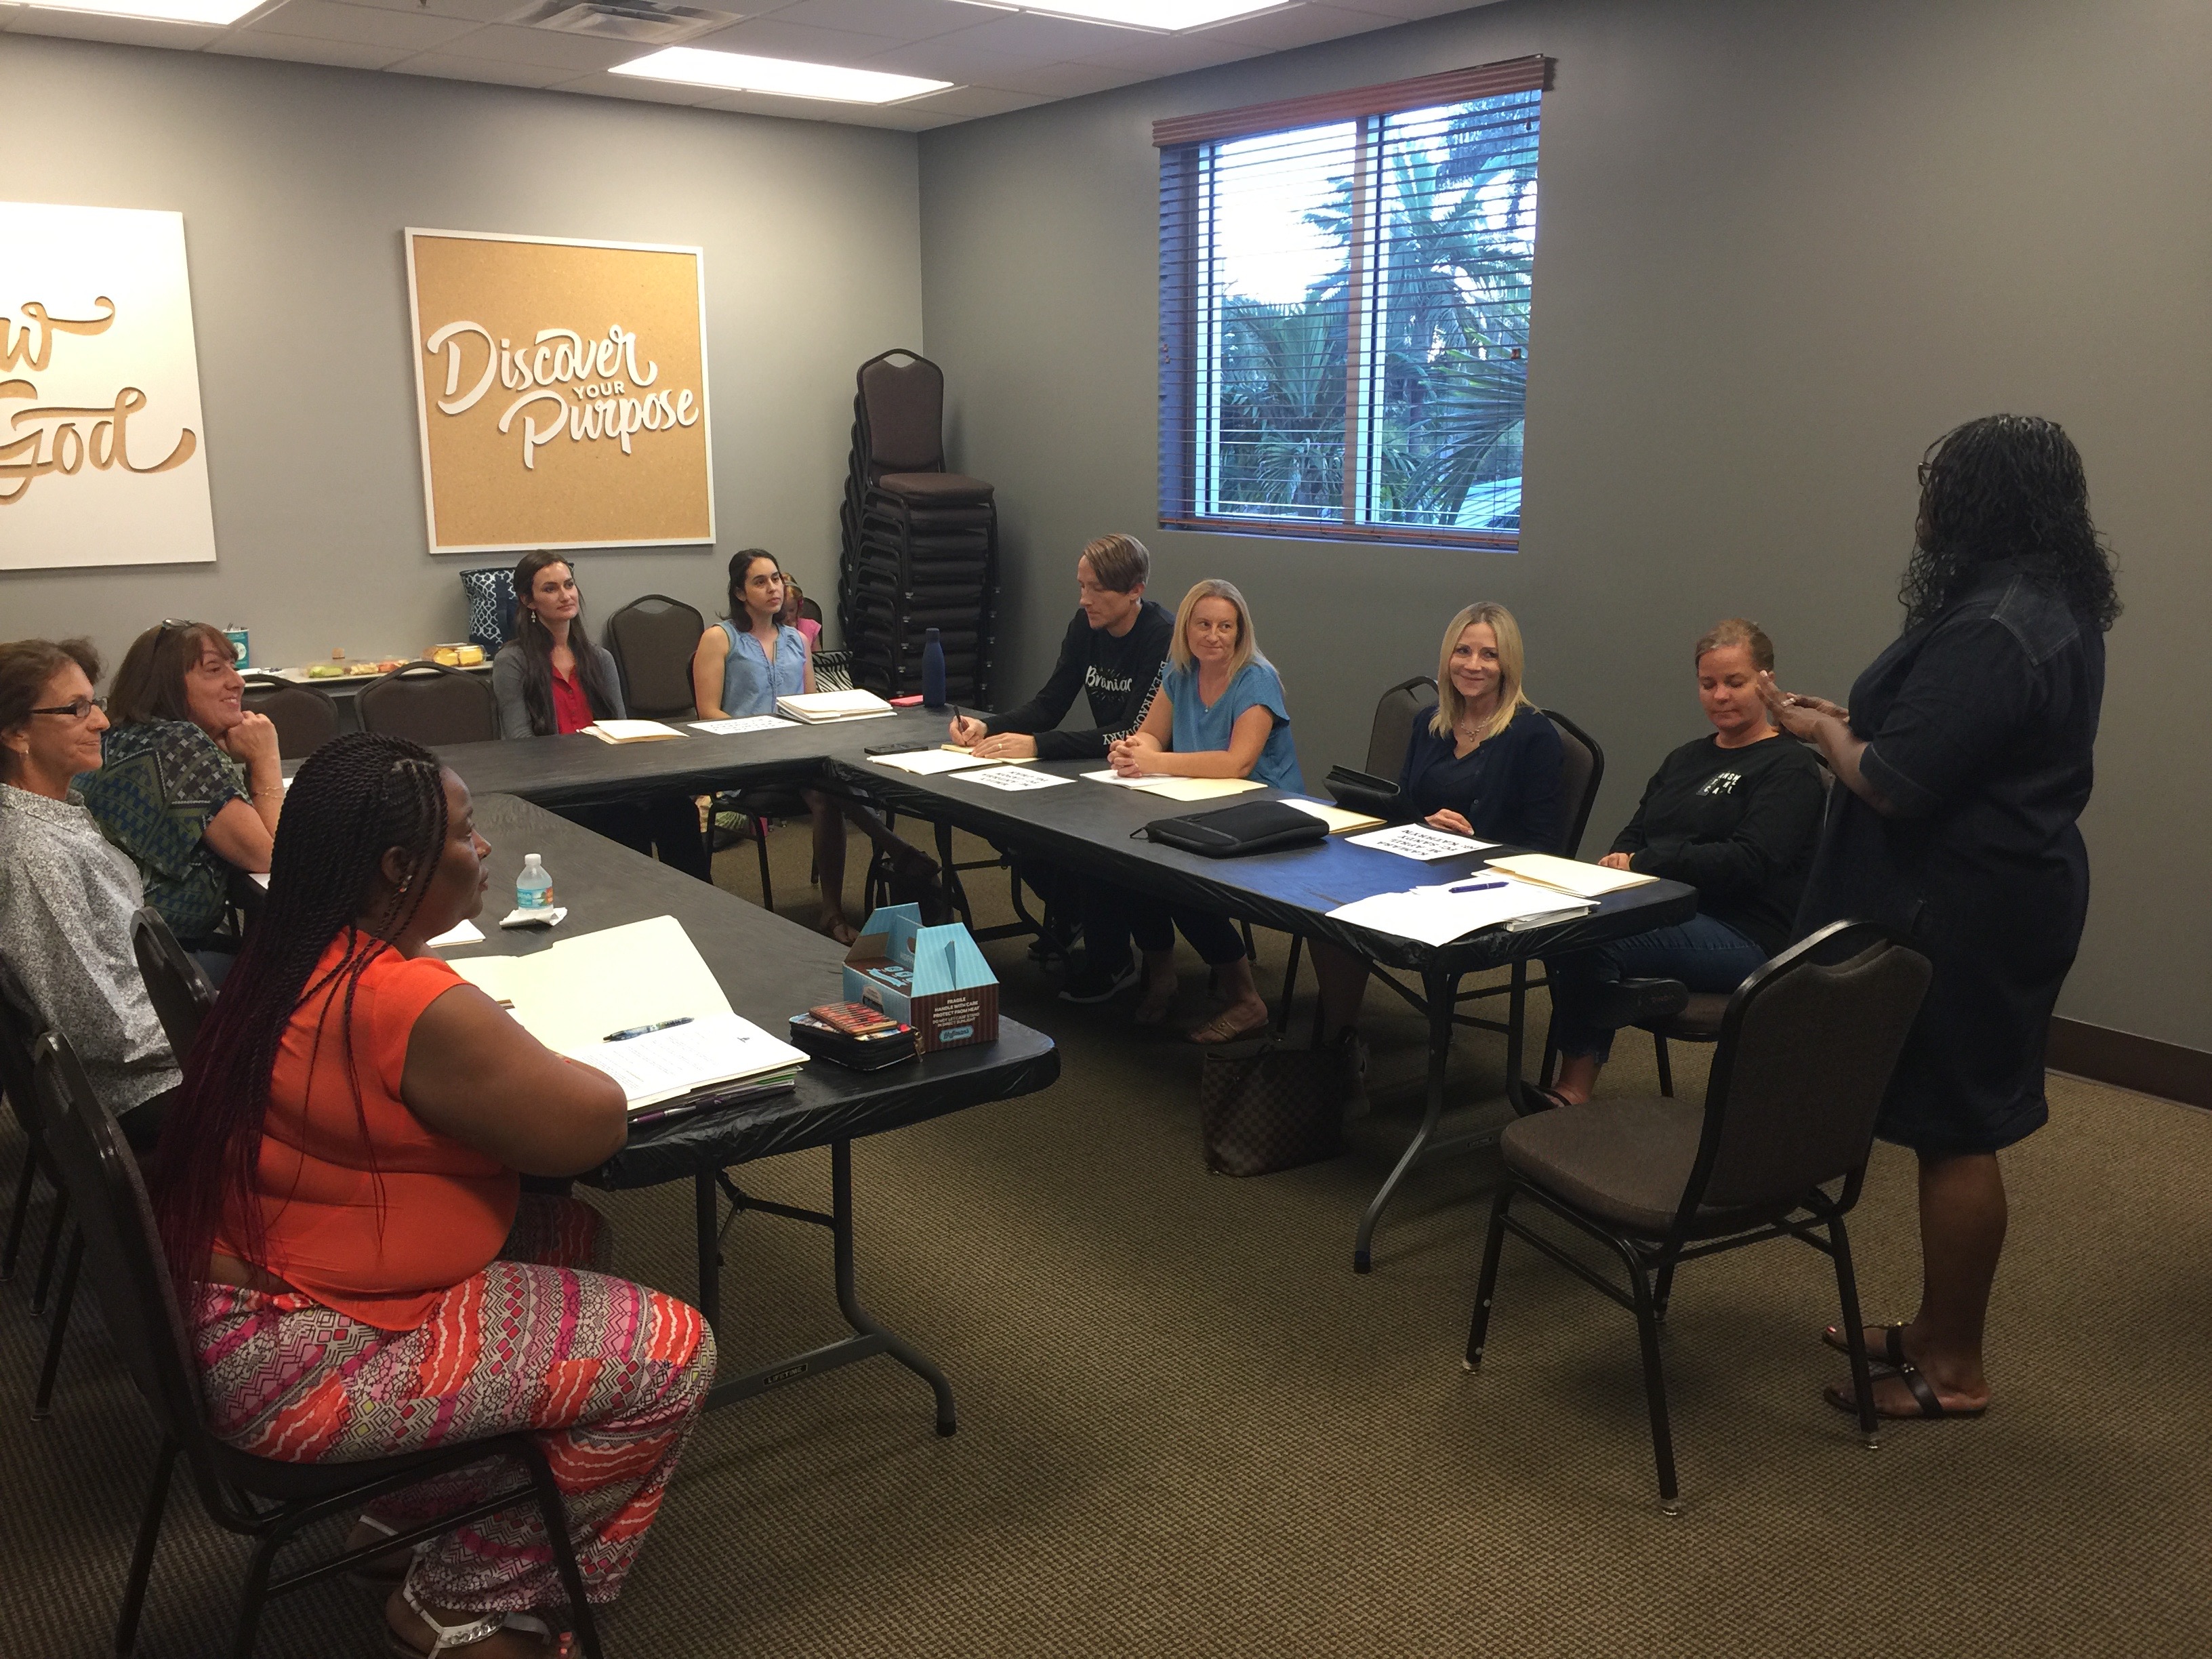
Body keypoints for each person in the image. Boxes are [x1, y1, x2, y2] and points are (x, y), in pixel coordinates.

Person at [151, 732, 715, 1658]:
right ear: (399, 867)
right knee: (674, 1352)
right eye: (465, 832)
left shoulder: (294, 949)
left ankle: (405, 1522)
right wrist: (512, 1047)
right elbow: (593, 1125)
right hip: (295, 1364)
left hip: (233, 1312)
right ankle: (463, 1599)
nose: (482, 848)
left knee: (563, 1231)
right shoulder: (400, 999)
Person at [1759, 413, 2116, 1423]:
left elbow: (1899, 782)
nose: (1922, 510)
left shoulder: (1998, 625)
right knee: (1943, 1123)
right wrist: (1849, 724)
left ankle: (1953, 1365)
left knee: (1958, 1130)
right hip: (1994, 893)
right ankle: (1930, 1327)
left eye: (1936, 490)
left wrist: (1830, 731)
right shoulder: (2040, 605)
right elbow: (1943, 746)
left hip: (1966, 911)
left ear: (1975, 504)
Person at [1537, 617, 1825, 1107]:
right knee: (1559, 928)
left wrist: (1647, 861)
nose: (1720, 696)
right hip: (1666, 910)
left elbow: (1748, 861)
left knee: (1589, 943)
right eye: (1708, 684)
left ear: (1767, 682)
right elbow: (1639, 827)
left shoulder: (1789, 766)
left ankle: (1573, 1092)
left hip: (1745, 933)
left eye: (1735, 683)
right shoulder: (1685, 759)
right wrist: (1622, 856)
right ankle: (1625, 998)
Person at [1309, 602, 1565, 1045]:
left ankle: (1341, 1044)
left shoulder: (1533, 735)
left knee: (1351, 913)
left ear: (1509, 664)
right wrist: (1425, 823)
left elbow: (1543, 845)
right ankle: (1340, 1042)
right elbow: (1407, 802)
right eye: (1462, 651)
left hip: (1487, 883)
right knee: (1329, 907)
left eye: (1489, 654)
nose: (1473, 664)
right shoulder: (1430, 721)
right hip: (1421, 862)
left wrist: (1476, 840)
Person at [947, 533, 1175, 1001]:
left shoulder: (1161, 635)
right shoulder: (1084, 625)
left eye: (1096, 590)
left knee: (1090, 845)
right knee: (1004, 820)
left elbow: (1130, 729)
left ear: (1134, 590)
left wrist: (1037, 745)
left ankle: (1111, 960)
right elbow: (1051, 702)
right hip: (1097, 766)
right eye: (1082, 586)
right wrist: (989, 728)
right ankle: (1073, 911)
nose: (1084, 599)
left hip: (1151, 771)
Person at [693, 547, 937, 943]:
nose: (774, 588)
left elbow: (811, 706)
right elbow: (707, 714)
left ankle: (835, 909)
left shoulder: (795, 640)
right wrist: (762, 731)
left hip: (800, 757)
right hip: (748, 762)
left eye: (776, 579)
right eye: (760, 581)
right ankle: (892, 854)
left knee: (827, 787)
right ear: (739, 592)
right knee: (825, 791)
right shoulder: (719, 639)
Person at [1098, 579, 1297, 1042]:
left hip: (1263, 814)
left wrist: (1155, 761)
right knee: (1130, 863)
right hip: (1198, 806)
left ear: (1240, 631)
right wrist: (1132, 749)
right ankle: (1162, 972)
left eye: (1226, 626)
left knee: (1183, 882)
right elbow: (1151, 734)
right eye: (1204, 624)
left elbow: (1237, 763)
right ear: (1186, 628)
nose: (1214, 636)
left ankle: (1246, 1000)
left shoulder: (1256, 678)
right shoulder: (1181, 671)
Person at [0, 637, 179, 1124]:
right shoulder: (33, 852)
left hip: (154, 1055)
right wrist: (219, 1026)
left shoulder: (56, 816)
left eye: (93, 703)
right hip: (138, 1092)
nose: (100, 720)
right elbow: (102, 1028)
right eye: (76, 709)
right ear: (17, 733)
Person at [75, 619, 281, 972]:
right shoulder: (179, 743)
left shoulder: (124, 736)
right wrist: (266, 759)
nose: (238, 681)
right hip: (161, 966)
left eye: (233, 666)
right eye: (215, 670)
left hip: (117, 951)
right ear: (168, 685)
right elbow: (272, 857)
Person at [493, 552, 710, 882]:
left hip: (606, 779)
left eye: (569, 585)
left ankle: (698, 902)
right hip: (553, 787)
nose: (565, 595)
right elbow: (520, 743)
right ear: (528, 600)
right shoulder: (512, 661)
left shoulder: (599, 658)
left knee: (676, 807)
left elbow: (620, 732)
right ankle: (632, 902)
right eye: (550, 589)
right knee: (621, 818)